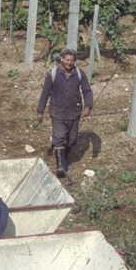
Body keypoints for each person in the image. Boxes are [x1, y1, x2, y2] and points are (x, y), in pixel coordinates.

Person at [36, 47, 93, 178]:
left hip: (74, 112)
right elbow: (45, 93)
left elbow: (87, 91)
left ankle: (63, 155)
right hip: (58, 112)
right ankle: (61, 167)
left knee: (71, 140)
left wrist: (88, 106)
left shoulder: (79, 74)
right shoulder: (52, 74)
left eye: (72, 60)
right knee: (60, 137)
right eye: (67, 60)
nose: (69, 63)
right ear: (62, 59)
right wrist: (40, 110)